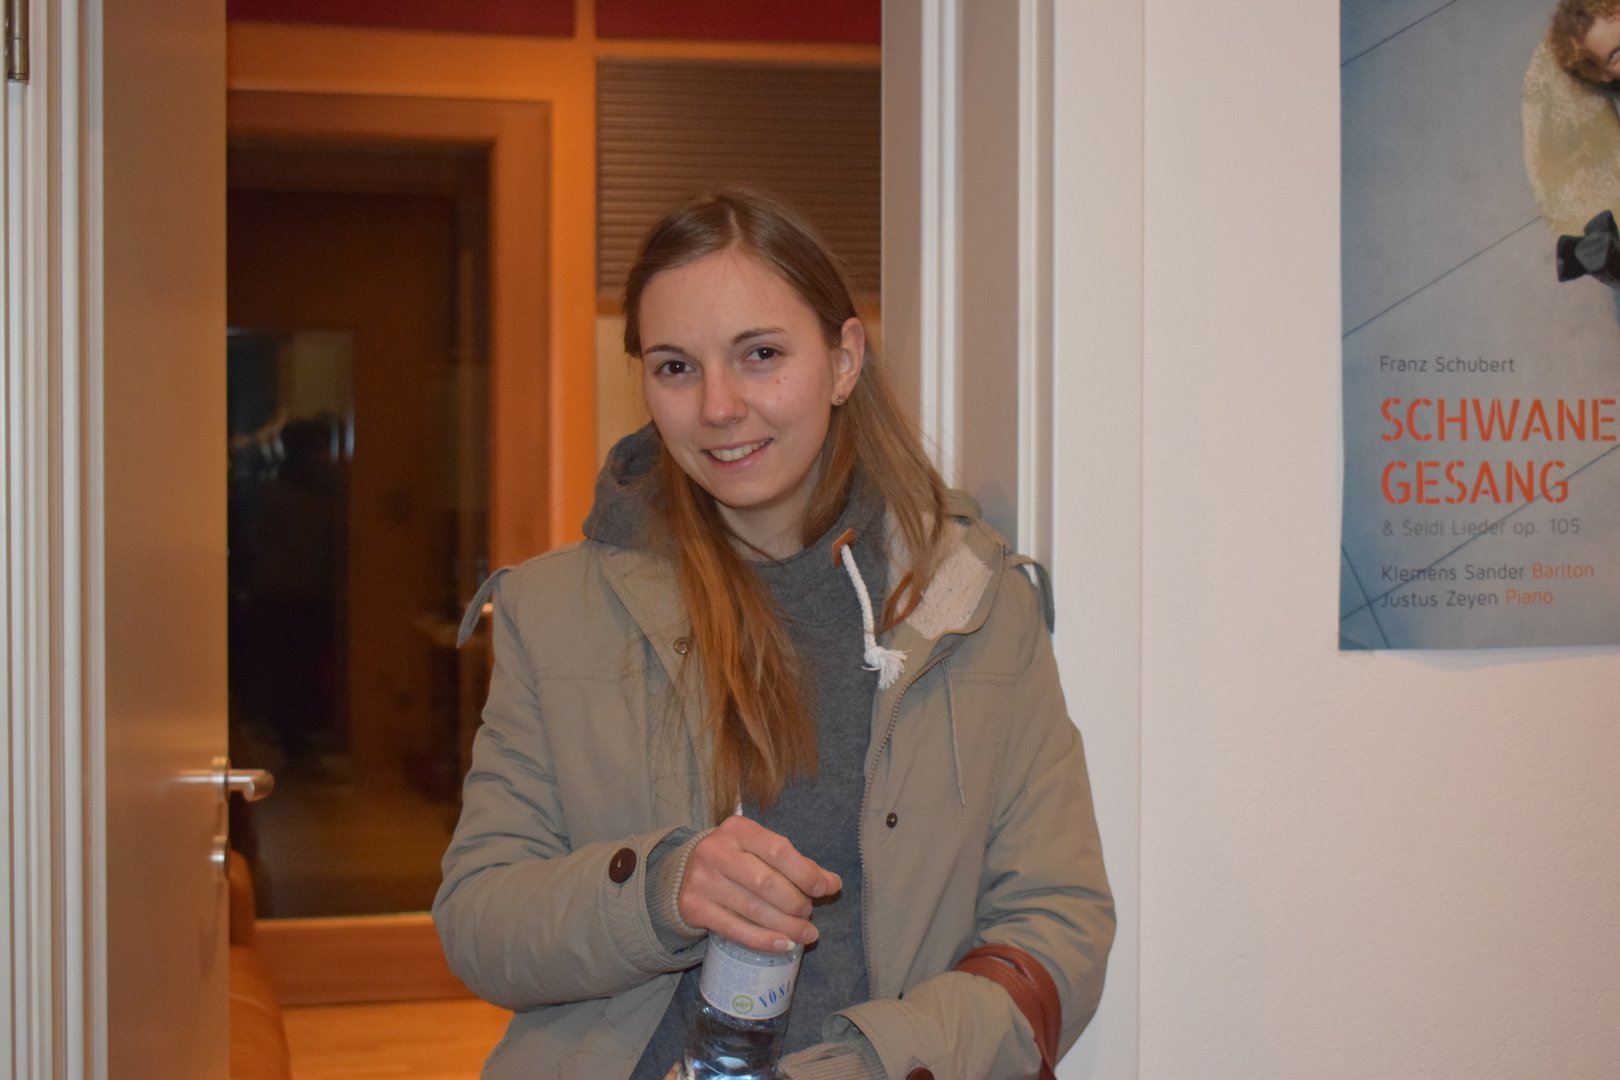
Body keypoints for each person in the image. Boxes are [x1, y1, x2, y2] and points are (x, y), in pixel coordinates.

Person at [433, 189, 1114, 1079]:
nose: (719, 406)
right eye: (676, 367)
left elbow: (1058, 924)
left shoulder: (974, 603)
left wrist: (871, 1067)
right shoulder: (553, 610)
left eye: (760, 354)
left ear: (843, 360)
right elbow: (478, 923)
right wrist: (660, 889)